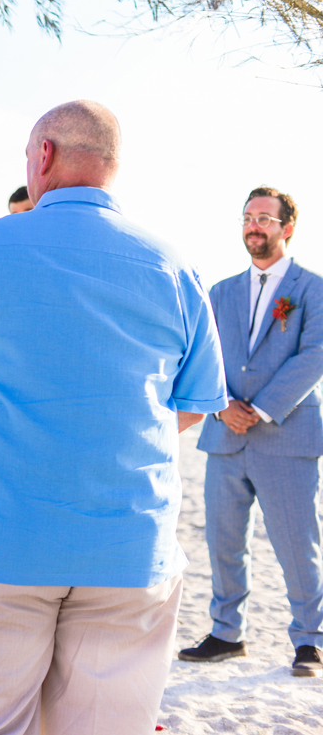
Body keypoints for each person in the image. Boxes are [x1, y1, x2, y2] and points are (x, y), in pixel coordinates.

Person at [0, 101, 227, 735]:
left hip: (1, 540)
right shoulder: (176, 264)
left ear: (45, 156)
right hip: (131, 548)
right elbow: (194, 403)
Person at [178, 187, 323, 677]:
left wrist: (258, 409)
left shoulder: (312, 289)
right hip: (224, 439)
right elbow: (203, 357)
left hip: (286, 438)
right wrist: (220, 408)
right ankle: (226, 634)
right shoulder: (219, 292)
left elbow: (313, 357)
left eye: (264, 218)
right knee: (224, 542)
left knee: (297, 544)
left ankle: (310, 641)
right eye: (247, 217)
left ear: (287, 227)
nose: (253, 226)